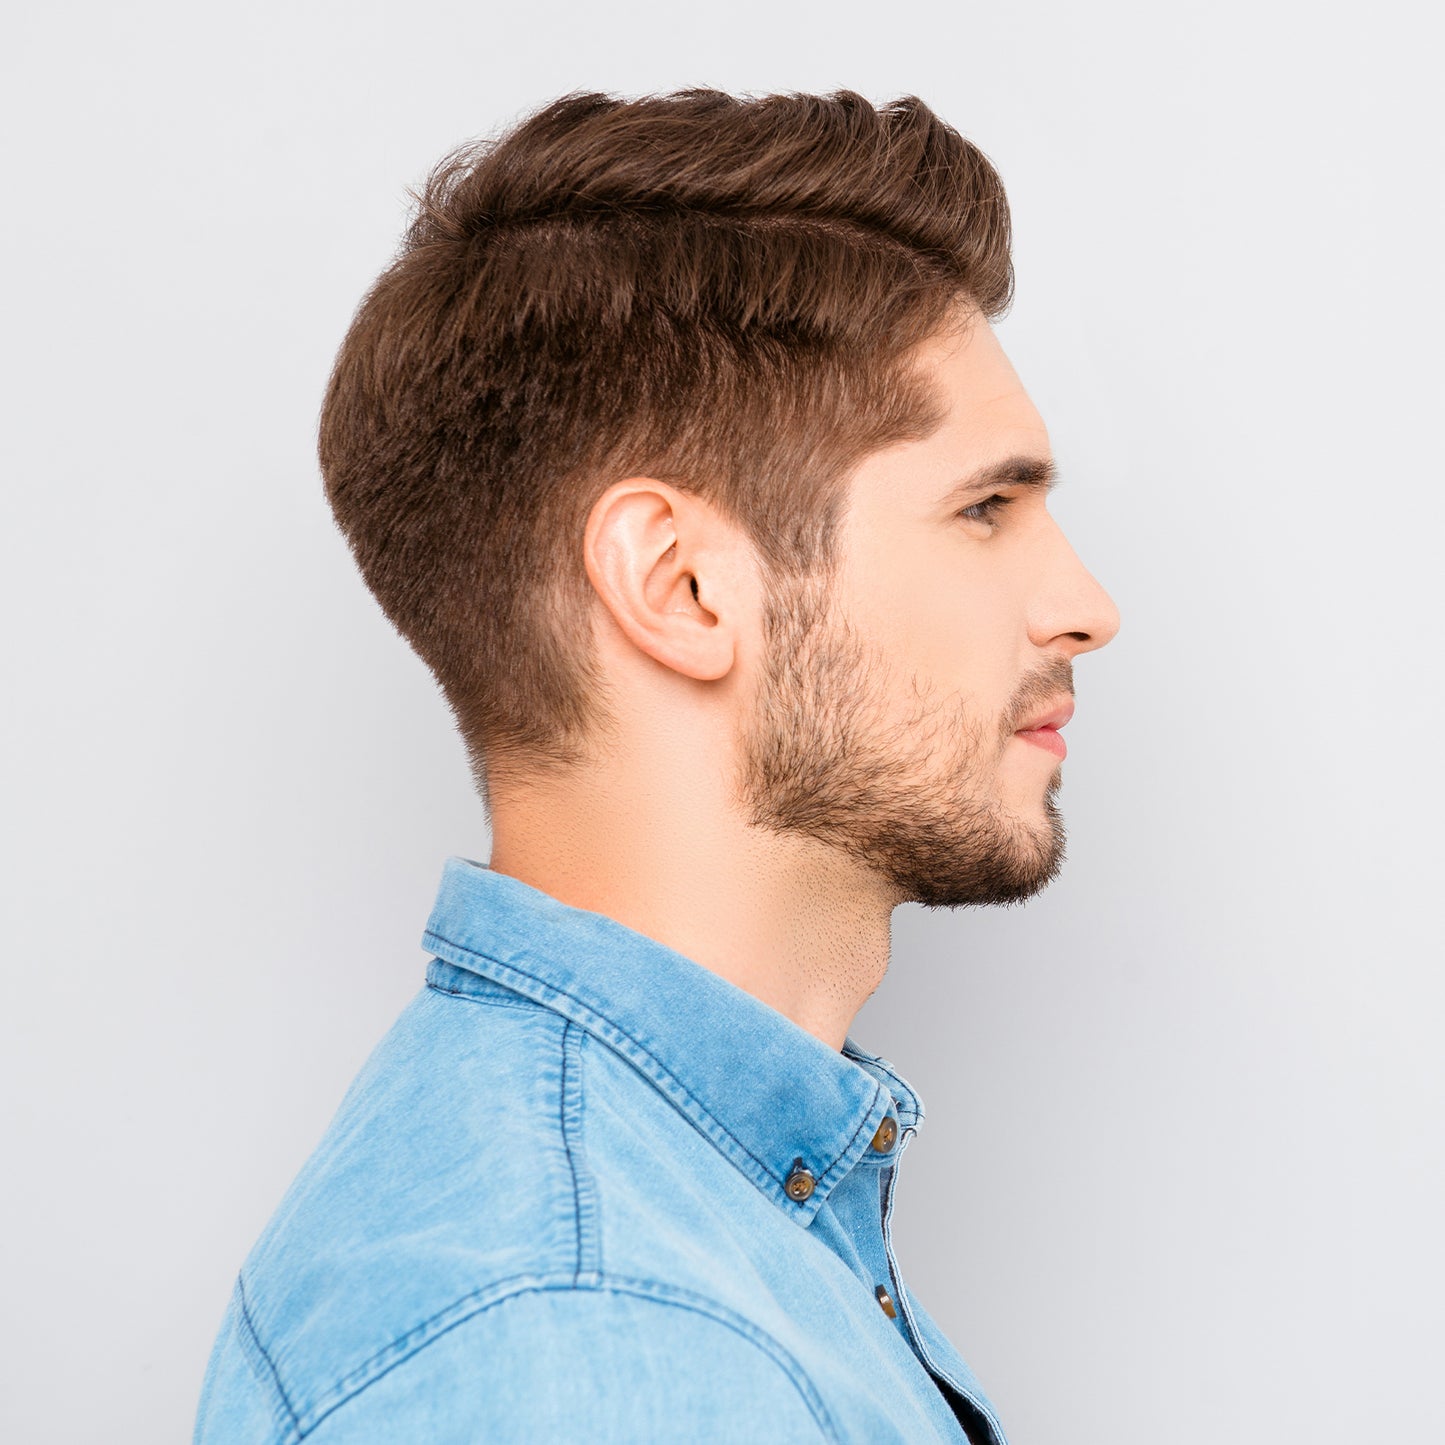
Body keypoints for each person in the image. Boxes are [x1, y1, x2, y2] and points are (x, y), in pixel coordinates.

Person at [193, 87, 1120, 1444]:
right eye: (985, 507)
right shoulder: (585, 1344)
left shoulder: (665, 1226)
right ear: (681, 586)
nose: (1086, 606)